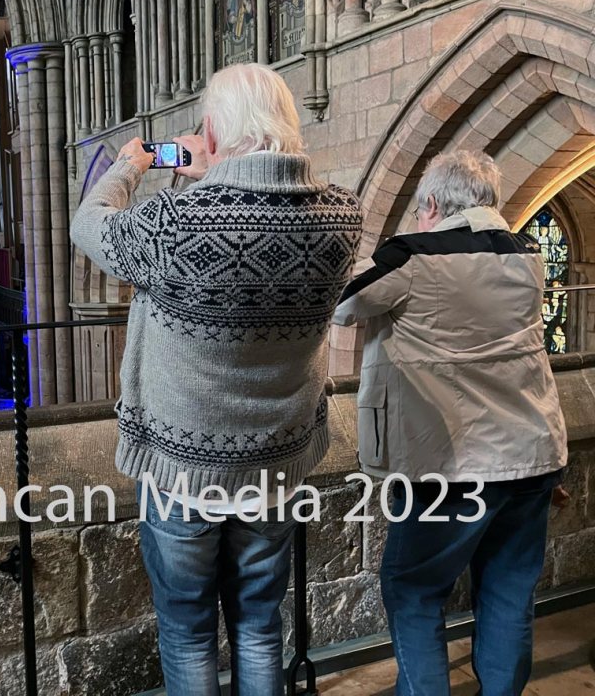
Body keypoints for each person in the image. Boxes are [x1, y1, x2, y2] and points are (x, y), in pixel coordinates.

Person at [70, 62, 362, 696]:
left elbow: (88, 224)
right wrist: (217, 178)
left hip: (183, 473)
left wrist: (130, 166)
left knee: (188, 630)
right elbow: (256, 237)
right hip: (276, 465)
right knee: (260, 627)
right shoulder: (341, 217)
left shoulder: (177, 224)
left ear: (209, 129)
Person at [333, 150, 568, 696]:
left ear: (432, 204)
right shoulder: (525, 255)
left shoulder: (412, 256)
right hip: (532, 454)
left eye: (419, 210)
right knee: (508, 594)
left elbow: (344, 305)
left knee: (413, 591)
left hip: (452, 466)